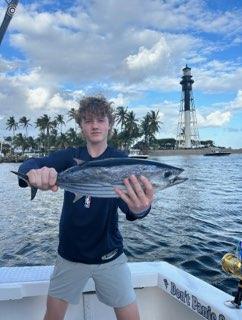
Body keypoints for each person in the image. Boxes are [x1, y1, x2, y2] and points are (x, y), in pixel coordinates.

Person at [18, 95, 154, 320]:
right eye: (88, 121)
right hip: (69, 254)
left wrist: (140, 209)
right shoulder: (70, 156)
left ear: (110, 124)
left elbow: (128, 207)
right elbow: (30, 163)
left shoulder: (121, 160)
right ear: (81, 125)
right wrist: (32, 175)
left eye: (101, 120)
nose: (95, 125)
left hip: (110, 255)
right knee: (52, 315)